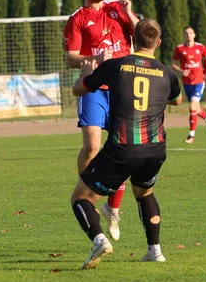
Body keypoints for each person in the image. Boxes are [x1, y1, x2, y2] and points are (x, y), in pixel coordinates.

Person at [71, 19, 182, 269]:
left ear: (132, 39)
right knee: (144, 192)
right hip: (155, 148)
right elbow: (176, 100)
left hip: (122, 147)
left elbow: (79, 90)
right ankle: (155, 251)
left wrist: (86, 74)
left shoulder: (115, 66)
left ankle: (99, 239)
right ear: (159, 43)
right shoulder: (167, 73)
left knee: (81, 197)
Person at [63, 0, 138, 241]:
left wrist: (130, 13)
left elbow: (143, 33)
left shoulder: (119, 8)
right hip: (95, 87)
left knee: (122, 150)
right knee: (93, 146)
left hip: (122, 86)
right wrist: (91, 60)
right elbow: (71, 56)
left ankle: (113, 209)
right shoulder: (78, 18)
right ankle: (88, 191)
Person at [172, 26, 206, 143]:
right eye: (186, 33)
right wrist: (181, 71)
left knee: (192, 107)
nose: (188, 35)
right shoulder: (179, 49)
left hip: (199, 81)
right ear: (184, 36)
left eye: (190, 33)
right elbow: (173, 64)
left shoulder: (200, 47)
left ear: (194, 35)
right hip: (187, 83)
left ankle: (191, 135)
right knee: (195, 108)